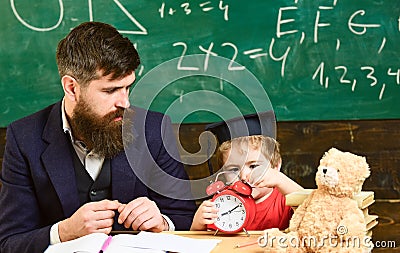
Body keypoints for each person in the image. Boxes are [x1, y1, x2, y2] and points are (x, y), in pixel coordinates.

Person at [0, 21, 196, 253]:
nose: (125, 102)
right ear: (71, 88)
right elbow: (9, 243)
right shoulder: (24, 138)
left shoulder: (154, 128)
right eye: (110, 90)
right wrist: (63, 231)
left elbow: (186, 217)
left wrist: (162, 222)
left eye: (127, 87)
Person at [190, 111, 303, 231]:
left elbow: (315, 209)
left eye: (253, 166)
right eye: (233, 169)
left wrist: (281, 180)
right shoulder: (222, 203)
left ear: (276, 166)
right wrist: (197, 226)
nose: (243, 176)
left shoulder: (285, 200)